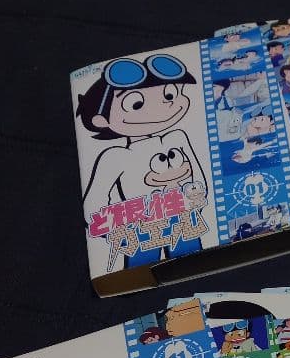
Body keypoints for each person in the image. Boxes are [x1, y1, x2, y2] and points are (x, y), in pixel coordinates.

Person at [76, 53, 206, 231]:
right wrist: (129, 226)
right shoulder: (115, 156)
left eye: (169, 94)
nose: (163, 106)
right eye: (136, 104)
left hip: (188, 222)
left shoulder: (177, 138)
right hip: (144, 232)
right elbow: (93, 211)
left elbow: (199, 179)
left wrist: (194, 201)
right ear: (101, 120)